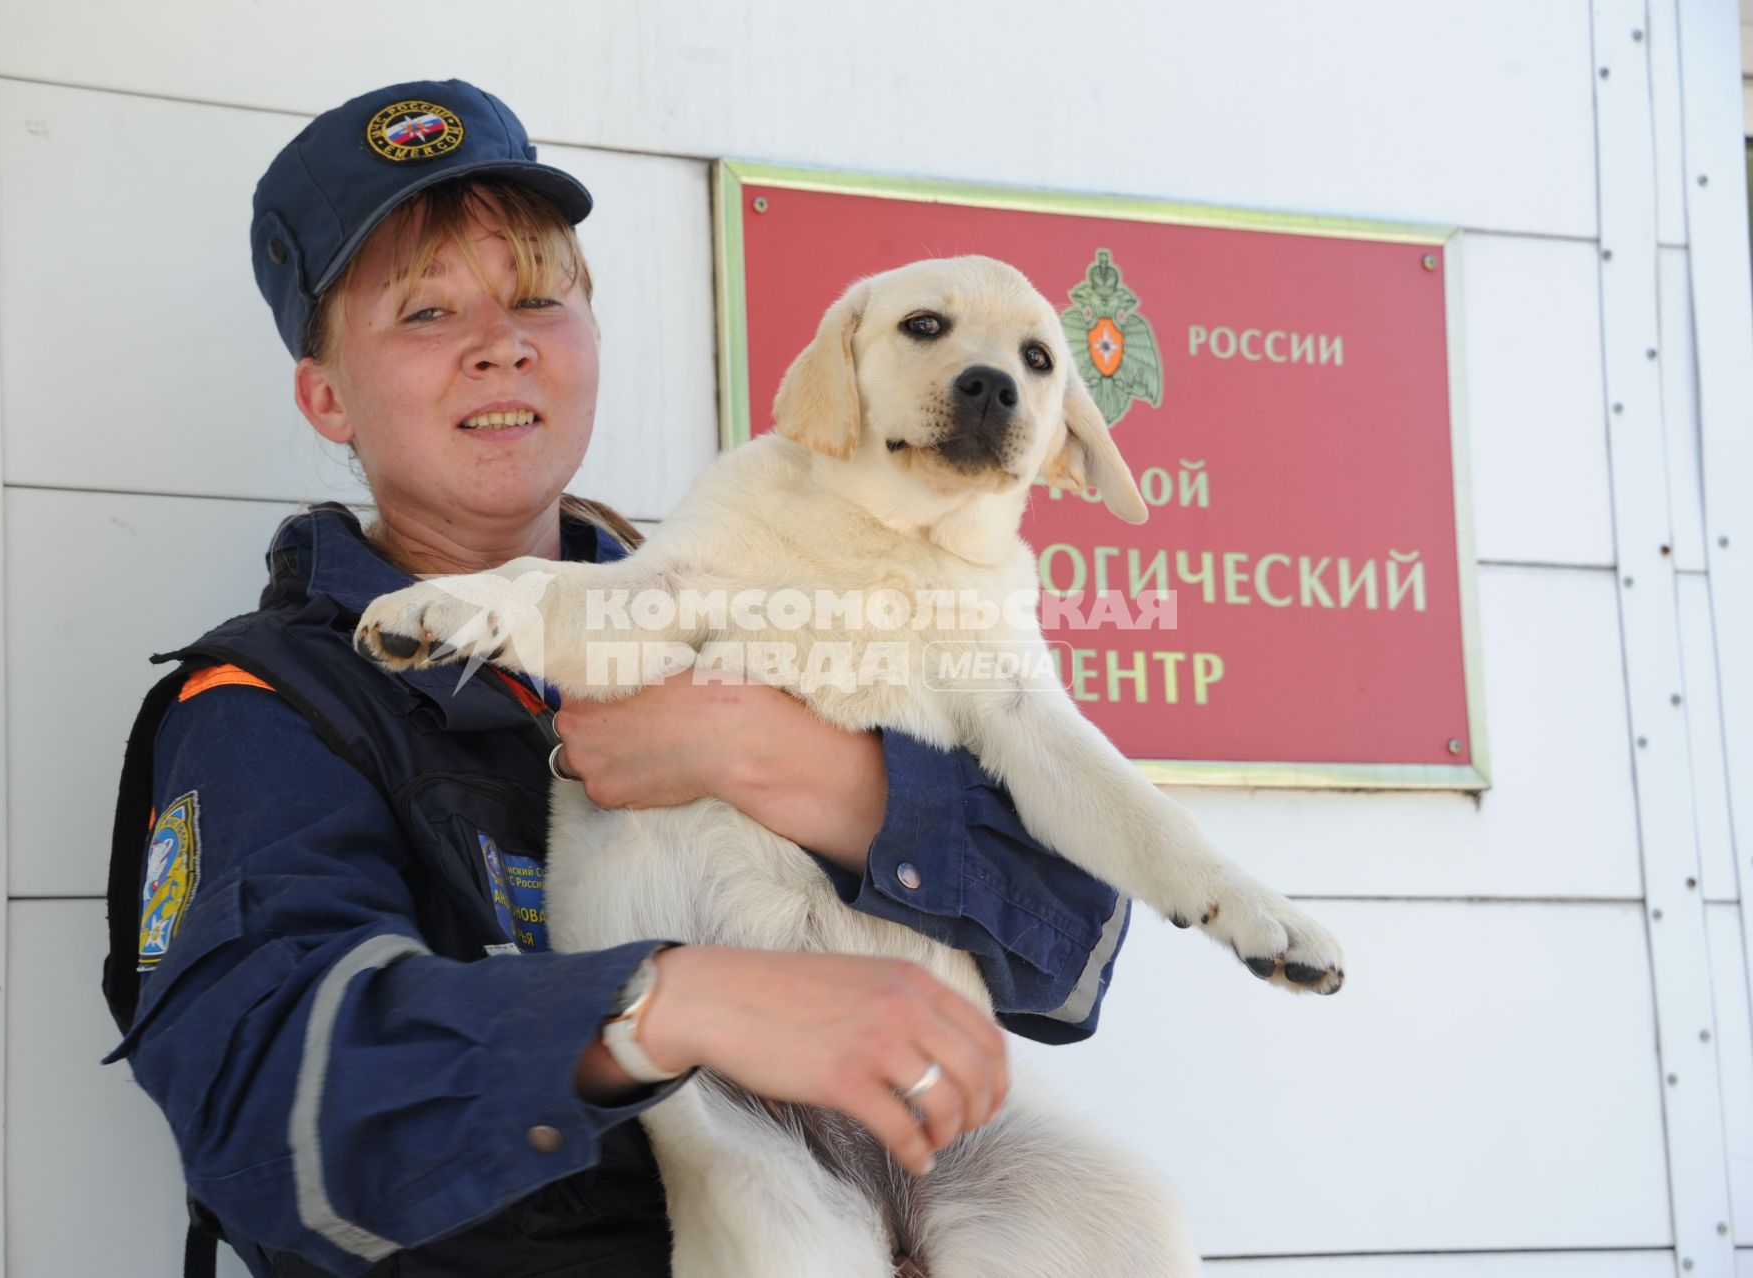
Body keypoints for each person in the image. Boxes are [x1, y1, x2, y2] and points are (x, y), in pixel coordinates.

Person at [103, 78, 1133, 1278]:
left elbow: (1072, 956)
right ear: (326, 394)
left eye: (542, 298)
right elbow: (257, 1119)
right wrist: (666, 1006)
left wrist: (802, 769)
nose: (502, 342)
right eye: (426, 312)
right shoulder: (269, 707)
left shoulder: (753, 596)